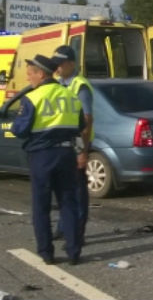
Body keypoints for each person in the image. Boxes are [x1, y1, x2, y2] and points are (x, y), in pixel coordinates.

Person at [11, 54, 84, 265]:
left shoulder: (33, 97)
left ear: (41, 74)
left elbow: (20, 130)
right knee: (68, 203)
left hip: (42, 155)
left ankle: (46, 253)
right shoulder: (70, 95)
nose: (28, 79)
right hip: (67, 154)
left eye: (30, 74)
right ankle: (74, 252)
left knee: (41, 206)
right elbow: (79, 124)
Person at [51, 45, 93, 244]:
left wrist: (83, 151)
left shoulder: (80, 85)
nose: (57, 67)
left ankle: (78, 231)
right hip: (62, 143)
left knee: (77, 190)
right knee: (63, 188)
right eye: (56, 63)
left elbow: (87, 120)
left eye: (61, 63)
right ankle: (63, 226)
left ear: (71, 63)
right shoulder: (59, 83)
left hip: (77, 142)